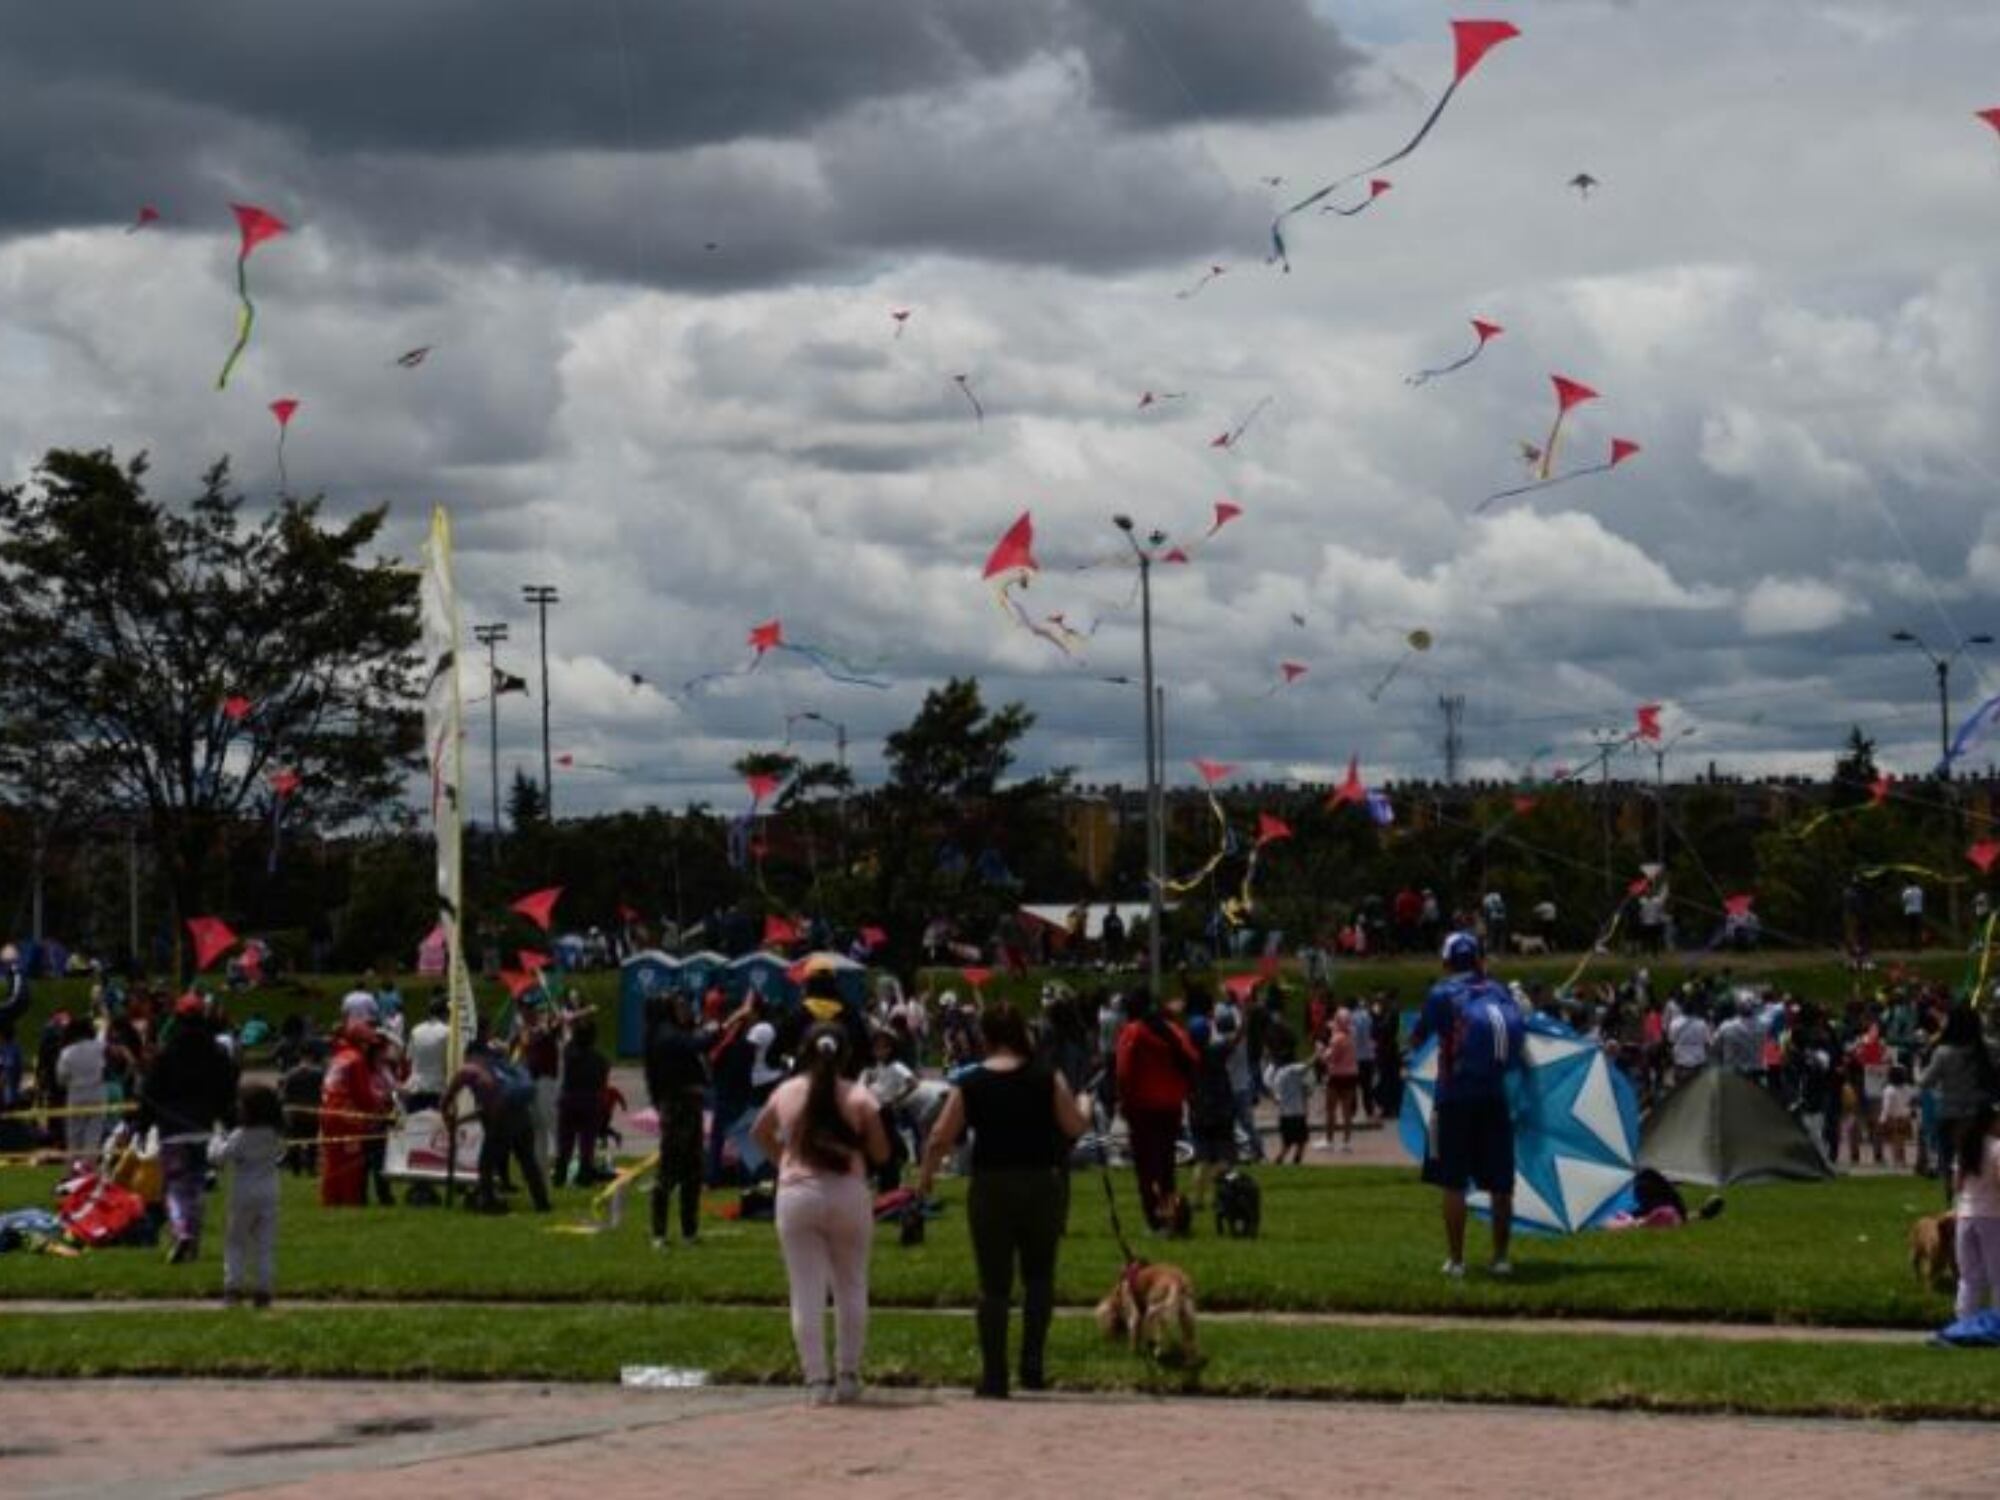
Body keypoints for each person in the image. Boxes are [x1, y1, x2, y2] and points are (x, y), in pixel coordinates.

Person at [920, 1001, 1086, 1399]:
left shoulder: (972, 1082)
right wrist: (1086, 1105)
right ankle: (1032, 1366)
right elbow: (1073, 1127)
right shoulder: (1047, 1076)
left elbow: (940, 1137)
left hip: (991, 1186)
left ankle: (994, 1375)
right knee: (1039, 1277)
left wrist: (926, 1177)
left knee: (993, 1284)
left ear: (985, 1037)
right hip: (1041, 1184)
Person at [752, 1025, 890, 1406]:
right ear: (846, 1055)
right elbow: (881, 1153)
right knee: (851, 1285)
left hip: (797, 1193)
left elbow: (759, 1131)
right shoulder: (860, 1096)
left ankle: (816, 1380)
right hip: (848, 1191)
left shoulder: (786, 1091)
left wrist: (784, 1162)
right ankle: (848, 1374)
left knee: (806, 1290)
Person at [1411, 932, 1526, 1279]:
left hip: (1453, 1098)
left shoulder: (1441, 994)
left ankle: (1457, 1260)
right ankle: (1501, 1257)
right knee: (1501, 1184)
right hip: (1494, 1096)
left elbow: (1417, 1037)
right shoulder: (1499, 990)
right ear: (1479, 960)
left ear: (1446, 962)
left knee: (1453, 1182)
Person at [137, 995, 239, 1262]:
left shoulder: (166, 1053)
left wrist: (141, 1125)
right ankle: (192, 1242)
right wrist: (230, 1123)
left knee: (174, 1186)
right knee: (195, 1187)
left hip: (172, 1130)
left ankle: (182, 1231)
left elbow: (150, 1093)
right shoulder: (216, 1053)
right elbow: (227, 1091)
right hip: (203, 1128)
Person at [1112, 988, 1199, 1230]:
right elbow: (1192, 1058)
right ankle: (1171, 1214)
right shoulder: (1173, 1029)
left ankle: (1155, 1219)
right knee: (1166, 1166)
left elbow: (1124, 1071)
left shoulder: (1134, 1031)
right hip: (1171, 1106)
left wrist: (1121, 1100)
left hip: (1142, 1108)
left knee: (1146, 1169)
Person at [442, 1039, 550, 1213]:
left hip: (502, 1120)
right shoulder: (499, 1068)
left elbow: (447, 1098)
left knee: (486, 1164)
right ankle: (542, 1203)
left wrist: (445, 1116)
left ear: (470, 1054)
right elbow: (485, 1109)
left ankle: (489, 1203)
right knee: (528, 1161)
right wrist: (461, 1120)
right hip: (522, 1115)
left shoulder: (469, 1069)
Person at [210, 1082, 286, 1307]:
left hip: (243, 1193)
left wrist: (216, 1138)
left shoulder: (240, 1135)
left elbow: (218, 1158)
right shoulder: (274, 1134)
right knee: (265, 1243)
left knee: (235, 1242)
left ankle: (233, 1287)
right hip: (270, 1192)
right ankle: (264, 1289)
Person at [644, 994, 709, 1248]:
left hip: (688, 1105)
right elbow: (697, 1045)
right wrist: (729, 1025)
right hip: (678, 1106)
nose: (684, 1009)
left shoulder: (668, 1033)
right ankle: (659, 1234)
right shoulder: (665, 1035)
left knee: (693, 1169)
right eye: (678, 1006)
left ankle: (689, 1231)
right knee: (669, 1169)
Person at [1920, 1005, 1998, 1207]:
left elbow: (1925, 1081)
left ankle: (1954, 1205)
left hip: (1950, 1113)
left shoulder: (1943, 1052)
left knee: (1950, 1165)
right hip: (1981, 1115)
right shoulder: (1990, 1048)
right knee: (1983, 1160)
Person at [1953, 1104, 2000, 1323]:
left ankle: (1964, 1320)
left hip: (1965, 1214)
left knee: (1968, 1277)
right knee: (1996, 1274)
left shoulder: (1965, 1149)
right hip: (1992, 1215)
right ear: (1991, 1123)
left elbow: (1957, 1184)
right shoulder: (1997, 1148)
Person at [554, 1015, 611, 1187]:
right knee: (587, 1142)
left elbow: (568, 1043)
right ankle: (584, 1175)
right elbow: (603, 1083)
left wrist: (568, 1025)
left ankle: (560, 1176)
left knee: (565, 1142)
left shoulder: (570, 1055)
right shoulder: (601, 1060)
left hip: (570, 1100)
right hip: (591, 1102)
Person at [55, 1015, 109, 1158]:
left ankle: (73, 1171)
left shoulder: (66, 1053)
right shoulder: (98, 1046)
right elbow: (103, 1034)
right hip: (97, 1094)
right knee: (93, 1134)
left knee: (74, 1136)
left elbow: (61, 1079)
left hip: (76, 1095)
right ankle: (89, 1169)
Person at [1317, 1007, 1362, 1151]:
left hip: (1336, 1076)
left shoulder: (1337, 1039)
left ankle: (1329, 1140)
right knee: (1347, 1110)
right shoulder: (1352, 1035)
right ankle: (1346, 1141)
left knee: (1331, 1109)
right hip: (1351, 1075)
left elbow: (1329, 1058)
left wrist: (1320, 1051)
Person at [402, 995, 452, 1114]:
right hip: (438, 1089)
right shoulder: (448, 1032)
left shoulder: (416, 1030)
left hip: (415, 1087)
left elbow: (409, 1058)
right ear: (446, 1013)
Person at [1270, 1040, 1312, 1166]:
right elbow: (1307, 1066)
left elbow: (1275, 1097)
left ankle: (1280, 1161)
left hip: (1284, 1113)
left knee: (1287, 1143)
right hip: (1296, 1113)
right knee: (1301, 1141)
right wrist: (1318, 1053)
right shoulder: (1292, 1070)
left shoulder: (1278, 1074)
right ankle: (1296, 1161)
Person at [1667, 1000, 1712, 1087]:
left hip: (1681, 1061)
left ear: (1682, 1010)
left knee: (1682, 1090)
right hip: (1698, 1061)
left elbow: (1671, 1041)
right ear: (1694, 1010)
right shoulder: (1701, 1023)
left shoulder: (1674, 1023)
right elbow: (1707, 1043)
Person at [1878, 1064, 1914, 1170]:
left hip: (1893, 1118)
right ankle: (1903, 1161)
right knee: (1901, 1141)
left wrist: (1882, 1120)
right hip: (1905, 1117)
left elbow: (1886, 1107)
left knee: (1894, 1142)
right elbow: (1910, 1102)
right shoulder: (1908, 1088)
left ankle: (1895, 1162)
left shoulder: (1888, 1090)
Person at [1900, 880, 1925, 951]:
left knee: (1910, 930)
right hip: (1918, 911)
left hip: (1909, 911)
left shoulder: (1907, 891)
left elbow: (1904, 900)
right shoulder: (1919, 890)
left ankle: (1911, 946)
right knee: (1917, 930)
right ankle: (1918, 947)